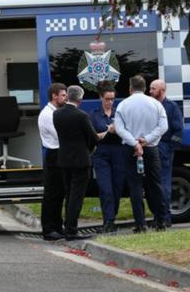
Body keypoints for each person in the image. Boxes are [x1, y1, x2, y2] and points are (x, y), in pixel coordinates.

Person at [114, 75, 169, 233]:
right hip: (151, 148)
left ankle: (140, 224)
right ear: (145, 88)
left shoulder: (123, 105)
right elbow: (163, 126)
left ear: (130, 88)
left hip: (130, 149)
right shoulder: (156, 104)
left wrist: (135, 143)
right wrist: (146, 140)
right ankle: (161, 221)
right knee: (155, 185)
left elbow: (119, 128)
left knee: (135, 187)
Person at [53, 85, 99, 240]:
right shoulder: (82, 115)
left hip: (64, 159)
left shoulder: (57, 114)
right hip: (81, 160)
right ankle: (72, 230)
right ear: (80, 98)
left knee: (69, 194)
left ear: (67, 97)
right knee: (76, 197)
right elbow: (93, 137)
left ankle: (68, 228)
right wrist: (89, 149)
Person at [88, 82, 126, 233]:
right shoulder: (94, 115)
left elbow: (127, 132)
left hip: (118, 152)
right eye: (107, 99)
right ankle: (108, 221)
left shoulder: (119, 114)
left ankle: (112, 218)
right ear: (101, 98)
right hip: (101, 154)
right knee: (106, 189)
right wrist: (108, 132)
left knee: (117, 188)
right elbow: (91, 137)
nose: (110, 102)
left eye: (112, 99)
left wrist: (118, 131)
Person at [149, 79, 183, 228]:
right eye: (150, 88)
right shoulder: (149, 106)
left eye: (153, 88)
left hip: (163, 149)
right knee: (152, 185)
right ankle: (157, 217)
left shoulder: (171, 107)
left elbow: (178, 130)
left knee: (164, 184)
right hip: (150, 148)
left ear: (162, 90)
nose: (150, 91)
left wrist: (169, 148)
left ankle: (165, 218)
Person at [38, 83, 67, 241]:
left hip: (59, 154)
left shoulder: (56, 112)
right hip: (54, 154)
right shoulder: (48, 115)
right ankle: (48, 229)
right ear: (54, 96)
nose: (66, 97)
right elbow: (59, 135)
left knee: (59, 194)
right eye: (63, 95)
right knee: (52, 194)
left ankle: (57, 226)